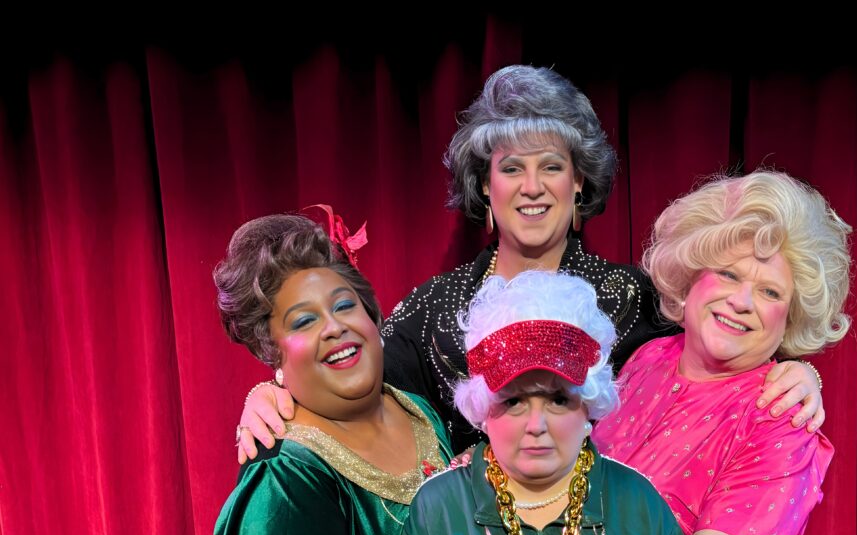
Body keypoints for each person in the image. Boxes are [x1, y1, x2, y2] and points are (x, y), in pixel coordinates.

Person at [235, 66, 824, 460]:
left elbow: (720, 358)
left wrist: (795, 373)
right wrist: (274, 393)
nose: (532, 187)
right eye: (512, 168)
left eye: (552, 166)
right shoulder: (434, 309)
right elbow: (352, 386)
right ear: (484, 186)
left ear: (579, 182)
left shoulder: (635, 297)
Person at [212, 213, 525, 535]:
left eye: (343, 306)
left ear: (373, 318)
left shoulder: (417, 410)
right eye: (303, 322)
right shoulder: (285, 470)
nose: (333, 326)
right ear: (273, 352)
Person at [391, 271, 738, 535]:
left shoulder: (635, 499)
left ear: (588, 407)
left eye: (558, 400)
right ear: (485, 412)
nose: (536, 425)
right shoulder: (440, 506)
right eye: (513, 401)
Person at [593, 171, 851, 535]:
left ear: (790, 317)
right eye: (729, 274)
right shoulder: (647, 358)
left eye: (770, 292)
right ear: (692, 274)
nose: (741, 301)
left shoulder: (782, 415)